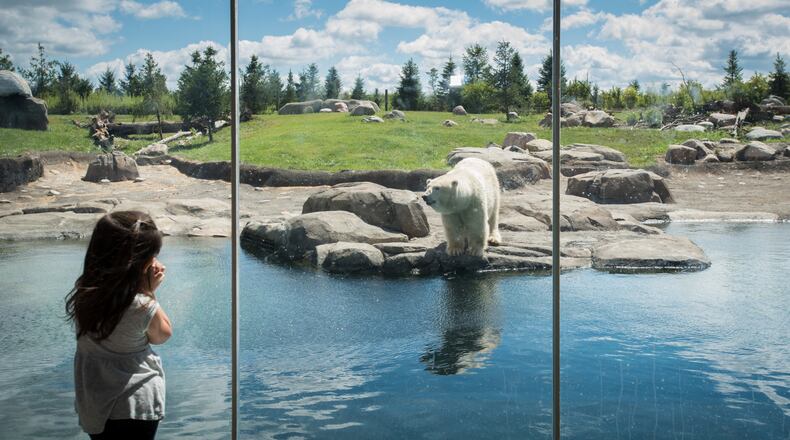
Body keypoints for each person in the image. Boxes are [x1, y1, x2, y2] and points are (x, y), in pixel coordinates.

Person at [65, 211, 173, 439]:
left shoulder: (84, 294)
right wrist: (148, 292)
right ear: (136, 262)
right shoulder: (139, 304)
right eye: (151, 256)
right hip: (134, 404)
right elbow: (163, 334)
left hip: (94, 402)